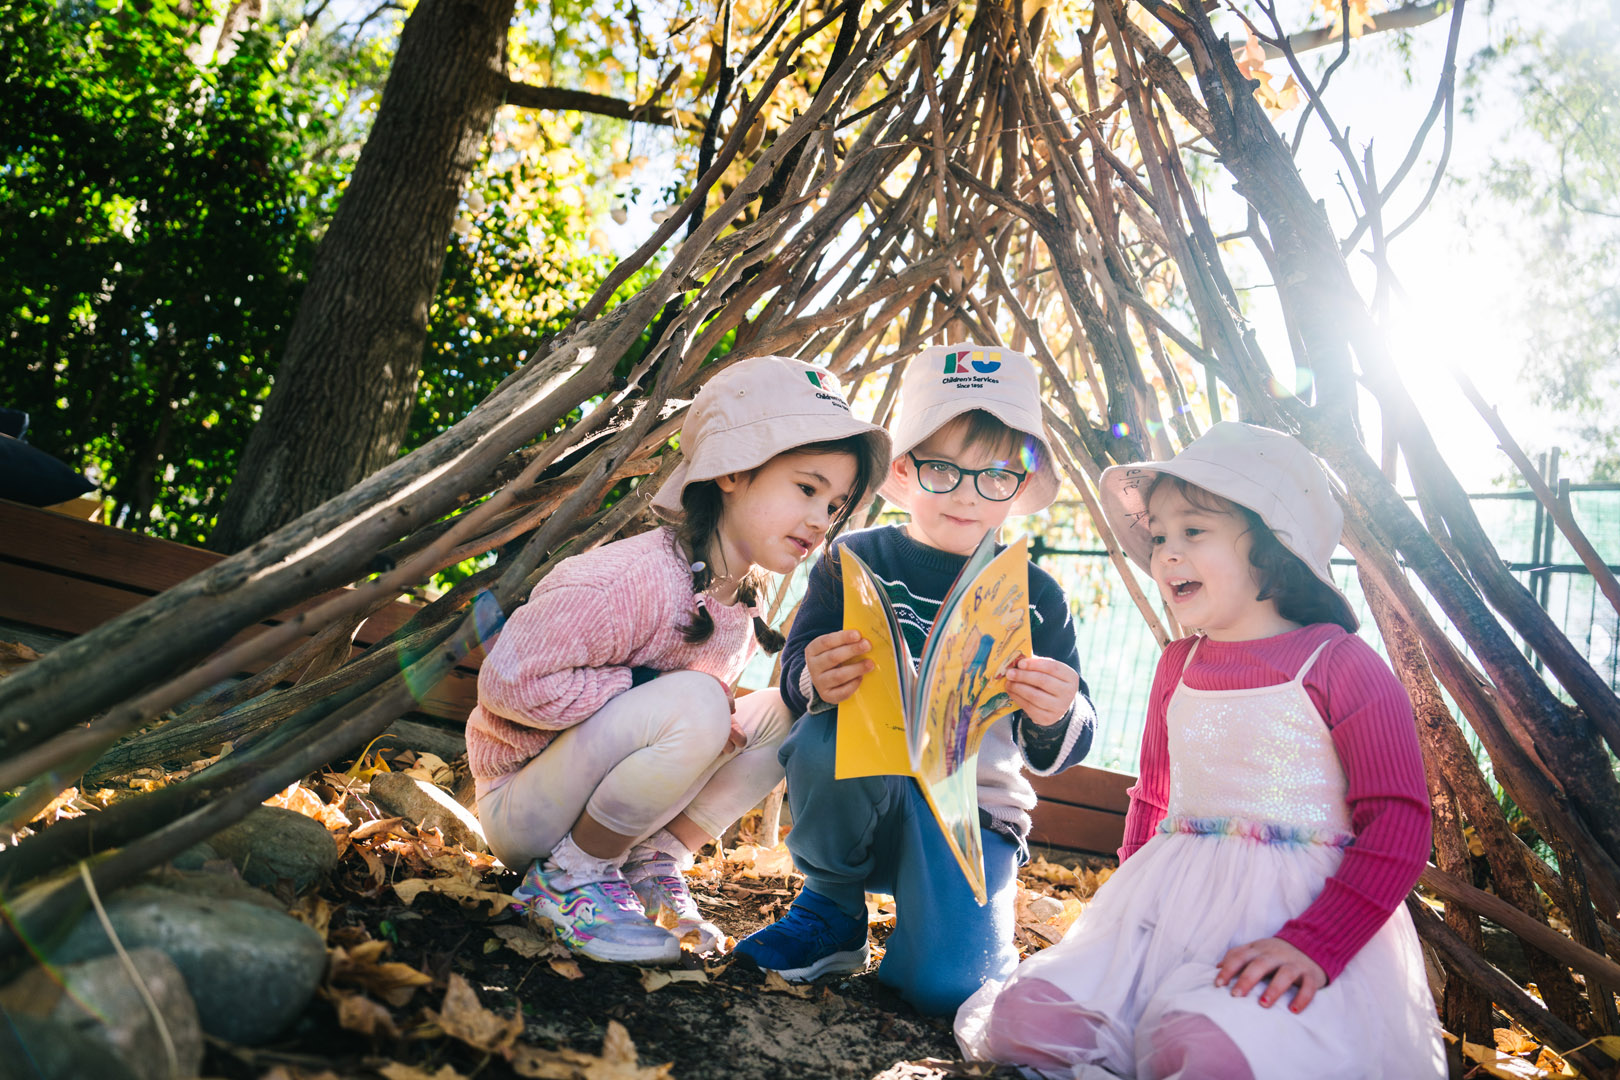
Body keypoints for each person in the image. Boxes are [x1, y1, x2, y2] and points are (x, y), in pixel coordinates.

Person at [955, 421, 1445, 1079]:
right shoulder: (1177, 664)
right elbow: (1153, 798)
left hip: (1292, 923)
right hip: (1164, 914)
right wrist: (1121, 926)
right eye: (1159, 537)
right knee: (1027, 1019)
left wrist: (1315, 944)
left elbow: (1402, 822)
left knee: (1211, 1048)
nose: (1165, 555)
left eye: (1193, 532)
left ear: (1272, 550)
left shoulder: (1340, 663)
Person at [467, 355, 891, 966]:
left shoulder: (741, 596)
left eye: (834, 505)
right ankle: (568, 881)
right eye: (806, 488)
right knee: (696, 699)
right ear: (732, 472)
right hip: (526, 805)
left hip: (602, 802)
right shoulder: (629, 579)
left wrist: (685, 706)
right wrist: (651, 685)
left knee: (791, 711)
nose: (819, 521)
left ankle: (650, 859)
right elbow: (508, 683)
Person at [733, 343, 1095, 1015]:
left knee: (947, 989)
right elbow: (793, 672)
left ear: (1019, 485)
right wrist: (814, 672)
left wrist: (1054, 710)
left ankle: (939, 936)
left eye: (995, 476)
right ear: (903, 468)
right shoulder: (853, 558)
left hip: (973, 813)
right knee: (821, 738)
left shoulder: (1036, 592)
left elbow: (1070, 741)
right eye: (944, 470)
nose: (967, 495)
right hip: (859, 787)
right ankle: (833, 911)